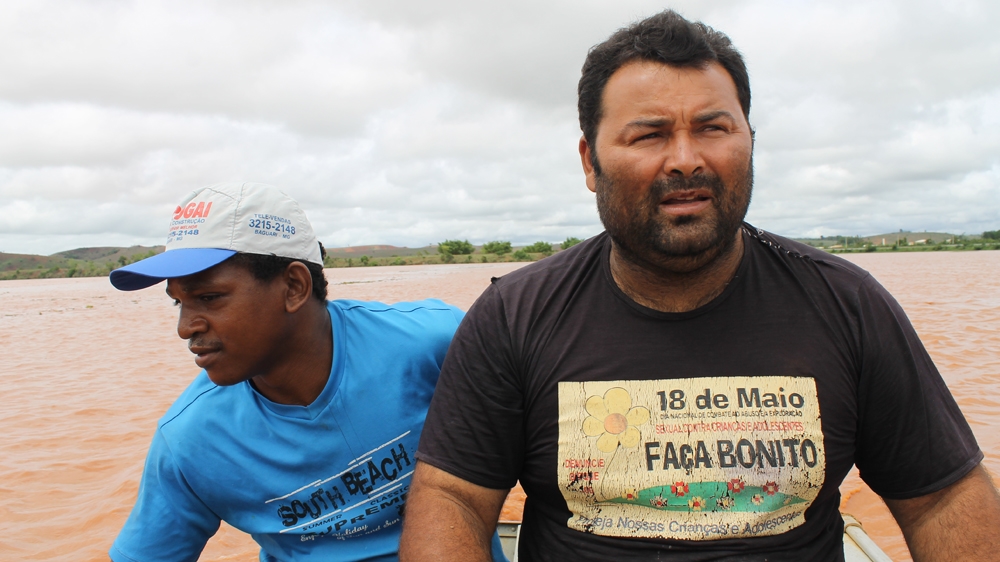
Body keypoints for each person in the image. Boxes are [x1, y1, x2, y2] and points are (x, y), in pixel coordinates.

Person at [399, 10, 1000, 562]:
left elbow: (942, 499)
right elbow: (455, 497)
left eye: (713, 128)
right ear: (590, 162)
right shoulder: (514, 316)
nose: (686, 159)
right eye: (649, 134)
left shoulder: (849, 305)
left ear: (750, 142)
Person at [108, 182, 507, 561]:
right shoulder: (191, 439)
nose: (185, 328)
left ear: (295, 286)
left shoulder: (436, 343)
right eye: (178, 302)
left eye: (209, 297)